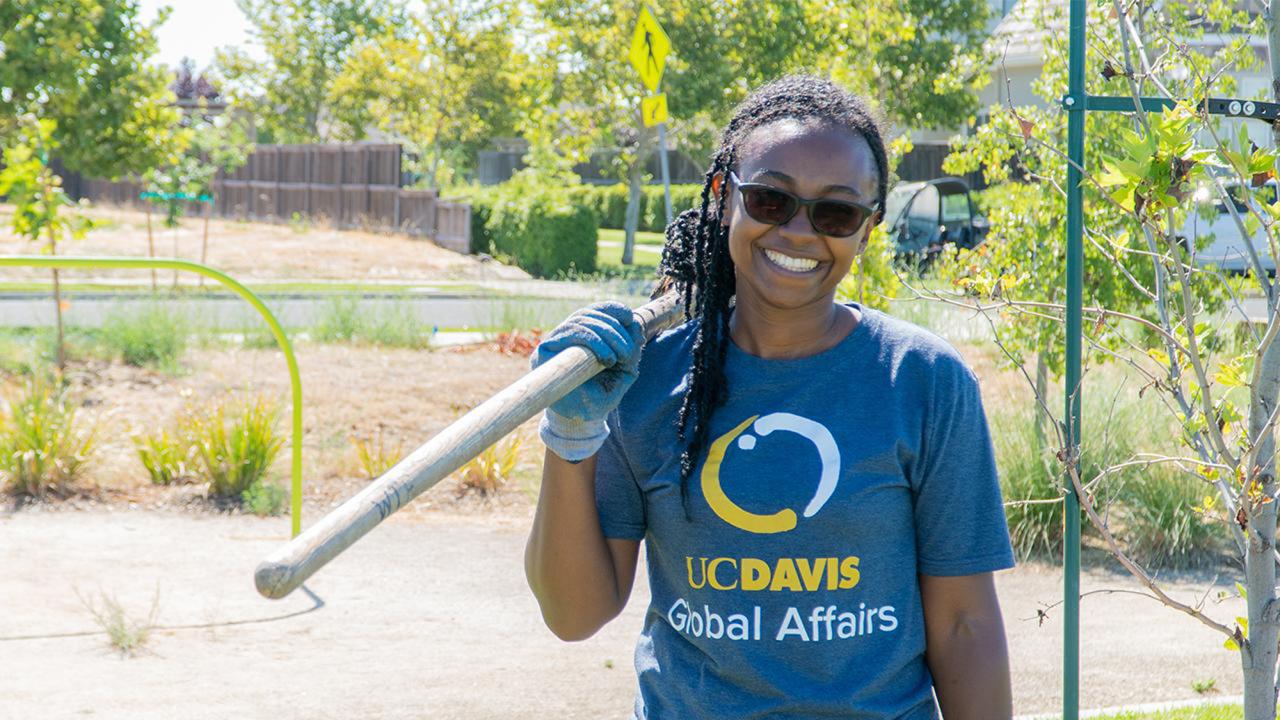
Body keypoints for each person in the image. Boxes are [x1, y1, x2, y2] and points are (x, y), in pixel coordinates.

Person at [524, 75, 1014, 720]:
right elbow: (574, 614)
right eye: (771, 200)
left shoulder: (921, 379)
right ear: (726, 199)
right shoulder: (645, 382)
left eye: (836, 212)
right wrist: (571, 438)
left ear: (867, 231)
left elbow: (964, 624)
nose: (799, 232)